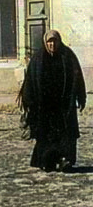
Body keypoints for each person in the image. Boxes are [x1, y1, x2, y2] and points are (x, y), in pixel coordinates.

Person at [17, 29, 87, 172]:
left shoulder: (68, 56)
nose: (52, 44)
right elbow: (29, 81)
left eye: (54, 41)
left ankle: (65, 160)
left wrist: (81, 97)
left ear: (59, 41)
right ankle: (47, 160)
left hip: (64, 104)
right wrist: (29, 101)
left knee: (66, 134)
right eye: (49, 42)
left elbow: (77, 77)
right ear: (45, 42)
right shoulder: (38, 58)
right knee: (46, 134)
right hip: (44, 105)